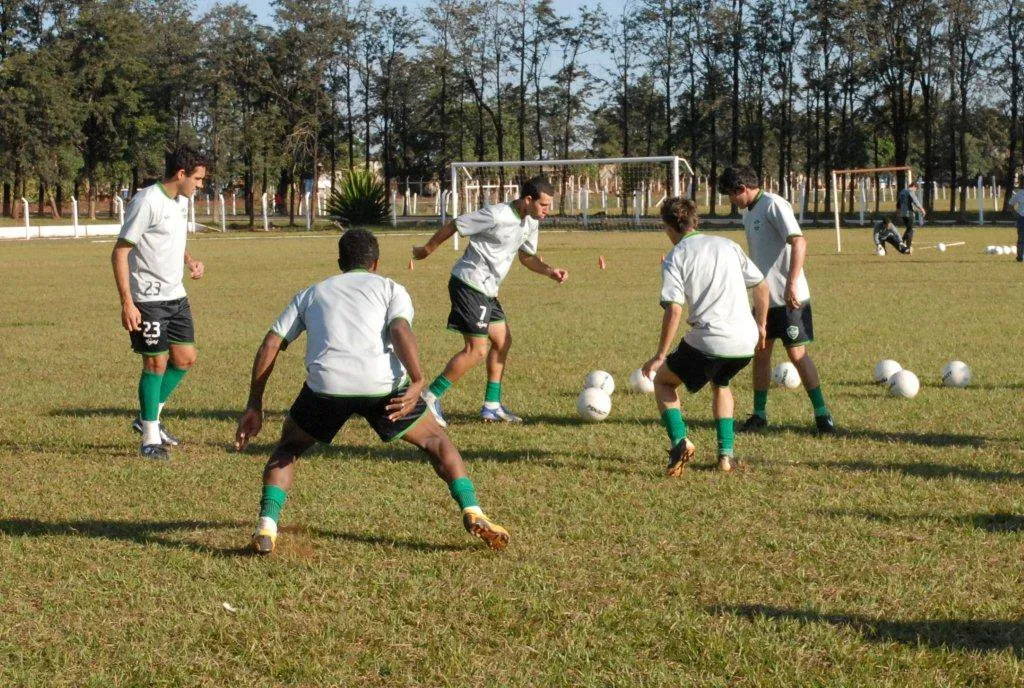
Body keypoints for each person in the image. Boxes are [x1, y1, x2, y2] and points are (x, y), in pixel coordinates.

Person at [234, 229, 509, 555]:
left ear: (340, 263)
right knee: (436, 442)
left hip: (327, 388)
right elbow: (399, 328)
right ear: (375, 263)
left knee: (288, 448)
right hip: (385, 389)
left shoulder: (311, 293)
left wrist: (254, 403)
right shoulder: (391, 288)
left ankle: (267, 526)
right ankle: (473, 511)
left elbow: (271, 343)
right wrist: (419, 379)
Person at [412, 176, 568, 426]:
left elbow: (527, 257)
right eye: (544, 205)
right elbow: (456, 224)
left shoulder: (531, 222)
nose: (547, 211)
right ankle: (429, 397)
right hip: (469, 283)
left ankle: (491, 406)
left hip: (488, 289)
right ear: (528, 200)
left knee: (503, 341)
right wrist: (427, 249)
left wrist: (550, 271)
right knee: (477, 350)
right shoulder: (496, 215)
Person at [642, 198, 769, 475]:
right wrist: (761, 325)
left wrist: (659, 356)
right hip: (746, 341)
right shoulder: (727, 245)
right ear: (695, 221)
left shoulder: (676, 257)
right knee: (721, 382)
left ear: (667, 227)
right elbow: (761, 284)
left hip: (711, 339)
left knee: (664, 382)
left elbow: (674, 310)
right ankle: (726, 456)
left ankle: (679, 442)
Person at [716, 166, 836, 434]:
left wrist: (792, 282)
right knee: (760, 352)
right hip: (764, 299)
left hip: (790, 297)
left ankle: (822, 415)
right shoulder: (749, 214)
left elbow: (799, 242)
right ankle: (759, 415)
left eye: (731, 195)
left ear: (741, 189)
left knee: (797, 354)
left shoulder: (773, 205)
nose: (731, 201)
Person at [111, 145, 208, 461]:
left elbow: (169, 239)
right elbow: (121, 251)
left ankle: (145, 417)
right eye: (198, 179)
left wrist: (189, 260)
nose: (200, 185)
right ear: (181, 175)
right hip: (149, 300)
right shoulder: (146, 201)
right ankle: (150, 438)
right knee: (155, 363)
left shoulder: (179, 201)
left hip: (176, 296)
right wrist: (128, 302)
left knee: (186, 359)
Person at [897, 179, 926, 252]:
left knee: (908, 228)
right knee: (911, 230)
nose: (915, 190)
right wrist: (922, 209)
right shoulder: (910, 191)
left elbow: (898, 203)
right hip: (909, 213)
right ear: (914, 186)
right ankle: (908, 247)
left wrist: (898, 211)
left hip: (903, 214)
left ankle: (901, 242)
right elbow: (915, 201)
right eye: (916, 189)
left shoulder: (902, 191)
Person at [1009, 186, 1024, 262]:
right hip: (1022, 219)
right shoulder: (1019, 194)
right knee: (1021, 239)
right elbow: (1011, 204)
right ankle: (1020, 257)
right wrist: (1016, 214)